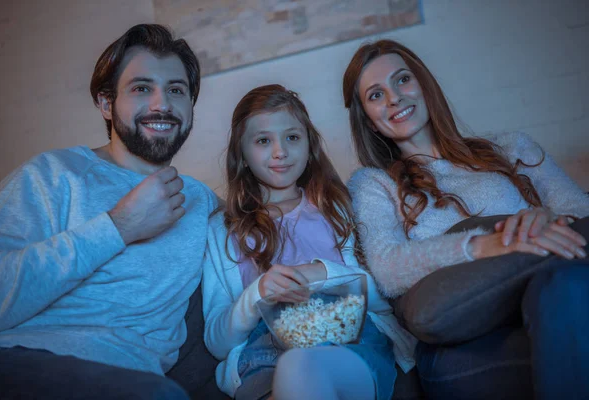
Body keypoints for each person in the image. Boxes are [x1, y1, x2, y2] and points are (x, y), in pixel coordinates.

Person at [342, 38, 589, 399]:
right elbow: (387, 269)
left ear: (425, 85)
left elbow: (580, 213)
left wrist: (545, 217)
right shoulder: (374, 183)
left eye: (402, 80)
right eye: (376, 95)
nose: (394, 97)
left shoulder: (512, 147)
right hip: (468, 341)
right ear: (371, 122)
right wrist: (481, 244)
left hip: (550, 301)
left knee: (566, 286)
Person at [0, 24, 218, 399]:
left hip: (133, 382)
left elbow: (274, 217)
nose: (162, 104)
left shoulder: (199, 200)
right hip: (20, 363)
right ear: (106, 103)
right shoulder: (52, 176)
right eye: (142, 88)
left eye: (176, 90)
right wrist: (118, 226)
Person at [202, 84, 417, 400]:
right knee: (293, 373)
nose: (280, 152)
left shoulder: (337, 207)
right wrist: (257, 293)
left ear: (309, 144)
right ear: (242, 154)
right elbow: (217, 341)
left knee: (301, 367)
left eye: (292, 137)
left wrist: (323, 273)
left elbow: (382, 296)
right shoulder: (222, 231)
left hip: (349, 341)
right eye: (263, 141)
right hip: (264, 354)